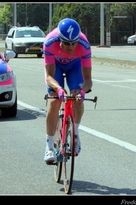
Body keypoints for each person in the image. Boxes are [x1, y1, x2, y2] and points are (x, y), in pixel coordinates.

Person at [43, 18, 93, 163]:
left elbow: (88, 80)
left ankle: (75, 135)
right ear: (60, 40)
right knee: (54, 101)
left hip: (75, 66)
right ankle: (49, 147)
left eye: (73, 43)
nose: (71, 47)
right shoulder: (49, 42)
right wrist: (58, 90)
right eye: (66, 43)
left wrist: (82, 92)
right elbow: (49, 77)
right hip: (56, 67)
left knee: (77, 98)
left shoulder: (84, 45)